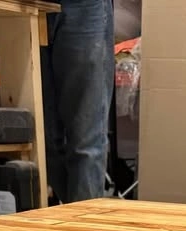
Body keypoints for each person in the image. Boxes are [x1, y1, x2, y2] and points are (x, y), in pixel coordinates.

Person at [41, 0, 114, 203]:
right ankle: (74, 214)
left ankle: (82, 219)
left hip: (84, 6)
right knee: (43, 138)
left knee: (86, 142)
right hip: (27, 5)